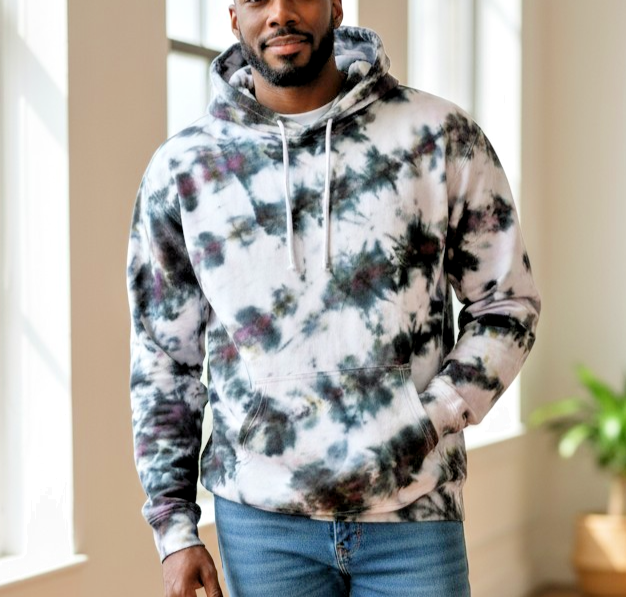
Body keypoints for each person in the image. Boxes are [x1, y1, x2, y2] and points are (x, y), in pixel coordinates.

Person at [127, 1, 541, 595]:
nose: (280, 13)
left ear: (336, 5)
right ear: (233, 16)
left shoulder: (438, 136)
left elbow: (507, 304)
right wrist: (174, 528)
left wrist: (431, 418)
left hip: (414, 513)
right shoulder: (185, 170)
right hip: (263, 525)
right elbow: (165, 358)